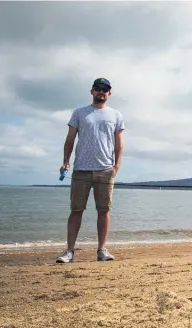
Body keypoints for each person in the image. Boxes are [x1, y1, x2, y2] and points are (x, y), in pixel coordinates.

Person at [56, 78, 125, 263]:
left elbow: (119, 144)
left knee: (104, 211)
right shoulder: (79, 113)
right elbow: (70, 139)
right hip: (81, 170)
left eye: (105, 89)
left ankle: (102, 250)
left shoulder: (116, 115)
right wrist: (66, 161)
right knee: (76, 210)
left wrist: (116, 167)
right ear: (92, 91)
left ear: (109, 93)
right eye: (98, 88)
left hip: (105, 170)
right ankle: (69, 251)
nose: (101, 91)